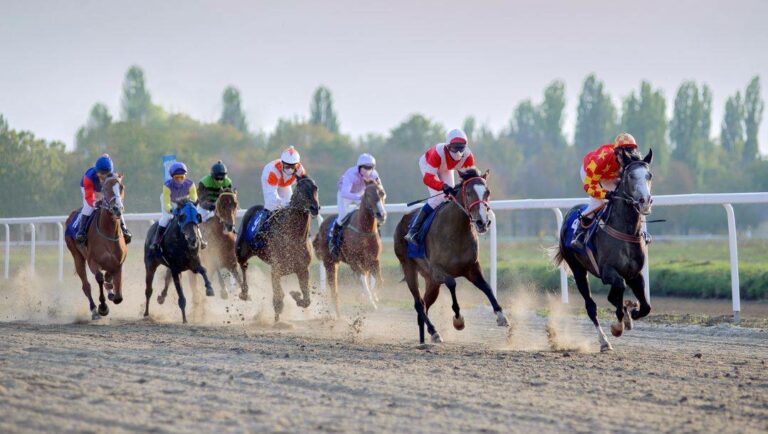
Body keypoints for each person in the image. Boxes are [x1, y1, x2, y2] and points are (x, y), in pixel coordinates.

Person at [571, 132, 643, 249]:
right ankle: (579, 232)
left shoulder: (628, 161)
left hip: (609, 175)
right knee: (598, 203)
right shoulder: (601, 160)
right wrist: (605, 194)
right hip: (590, 173)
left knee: (623, 199)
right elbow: (589, 186)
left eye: (630, 152)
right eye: (624, 154)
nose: (627, 157)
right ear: (617, 153)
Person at [404, 128, 476, 244]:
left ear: (465, 147)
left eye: (461, 147)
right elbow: (428, 178)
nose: (458, 152)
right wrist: (442, 186)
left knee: (451, 197)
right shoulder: (438, 152)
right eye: (454, 148)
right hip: (428, 166)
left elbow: (470, 181)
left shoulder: (468, 156)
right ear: (447, 147)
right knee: (439, 197)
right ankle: (413, 231)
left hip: (446, 168)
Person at [328, 153, 381, 255]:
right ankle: (333, 241)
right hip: (345, 195)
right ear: (359, 167)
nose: (368, 170)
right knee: (343, 215)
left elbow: (380, 189)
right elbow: (345, 193)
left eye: (370, 167)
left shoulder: (374, 175)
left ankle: (376, 236)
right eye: (365, 167)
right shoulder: (351, 174)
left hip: (360, 194)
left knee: (370, 212)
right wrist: (359, 197)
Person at [249, 146, 306, 236]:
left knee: (291, 207)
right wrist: (286, 203)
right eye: (287, 166)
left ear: (297, 165)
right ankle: (261, 230)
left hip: (285, 184)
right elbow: (273, 198)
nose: (290, 169)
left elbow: (304, 188)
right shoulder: (272, 171)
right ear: (282, 163)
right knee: (272, 205)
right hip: (271, 181)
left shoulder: (300, 171)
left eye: (293, 166)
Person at [75, 154, 132, 244]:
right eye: (101, 174)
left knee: (116, 206)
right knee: (88, 207)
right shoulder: (89, 177)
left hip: (103, 190)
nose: (104, 177)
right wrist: (95, 203)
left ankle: (124, 229)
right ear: (97, 171)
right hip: (89, 189)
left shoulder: (112, 176)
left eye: (107, 175)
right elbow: (89, 197)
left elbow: (117, 192)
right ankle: (81, 232)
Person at [149, 162, 198, 252]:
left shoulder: (191, 184)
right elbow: (167, 203)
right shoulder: (167, 185)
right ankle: (156, 242)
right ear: (172, 177)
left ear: (185, 176)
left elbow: (194, 198)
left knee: (193, 218)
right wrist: (171, 210)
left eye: (181, 177)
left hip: (184, 203)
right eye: (176, 178)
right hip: (170, 202)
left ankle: (201, 240)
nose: (179, 180)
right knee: (166, 219)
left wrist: (190, 203)